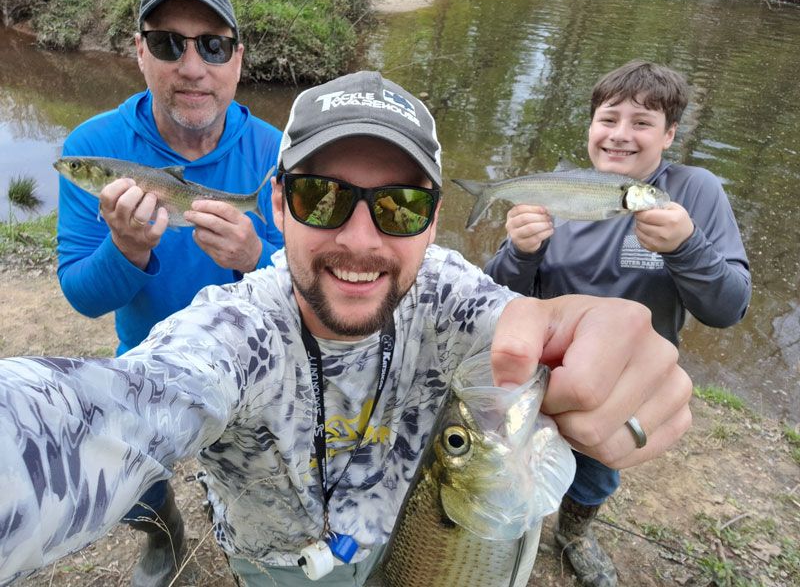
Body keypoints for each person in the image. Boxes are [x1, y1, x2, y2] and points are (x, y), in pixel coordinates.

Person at [1, 70, 692, 587]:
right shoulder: (232, 332)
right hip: (270, 567)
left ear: (434, 216)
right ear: (276, 202)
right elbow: (106, 412)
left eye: (399, 206)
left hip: (413, 549)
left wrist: (589, 342)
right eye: (321, 196)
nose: (360, 239)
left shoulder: (448, 294)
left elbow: (531, 329)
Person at [485, 60, 751, 587]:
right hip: (540, 376)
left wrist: (687, 247)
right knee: (510, 468)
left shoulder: (695, 193)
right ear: (590, 127)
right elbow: (497, 297)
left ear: (669, 135)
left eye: (643, 122)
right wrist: (520, 252)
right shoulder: (559, 186)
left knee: (597, 470)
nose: (620, 135)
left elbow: (728, 309)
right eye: (608, 119)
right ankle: (508, 533)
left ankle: (574, 535)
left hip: (624, 385)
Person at [54, 0, 284, 585]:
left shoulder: (279, 153)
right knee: (124, 463)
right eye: (167, 43)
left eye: (212, 46)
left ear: (237, 58)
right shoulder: (92, 148)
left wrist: (258, 256)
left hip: (259, 363)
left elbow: (324, 281)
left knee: (273, 476)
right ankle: (163, 535)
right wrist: (126, 249)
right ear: (139, 51)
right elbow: (81, 295)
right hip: (148, 359)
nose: (191, 67)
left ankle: (256, 550)